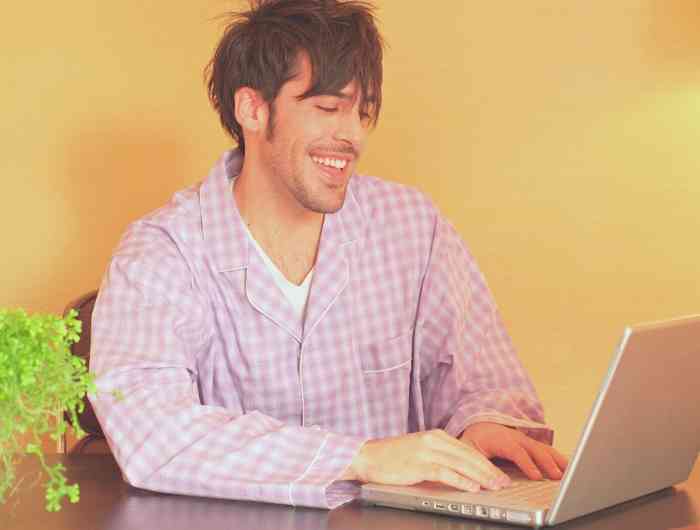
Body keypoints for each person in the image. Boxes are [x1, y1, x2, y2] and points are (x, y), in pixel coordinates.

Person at [89, 0, 568, 509]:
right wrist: (360, 457)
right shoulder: (160, 253)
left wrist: (485, 423)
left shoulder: (414, 225)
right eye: (328, 109)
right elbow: (152, 433)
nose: (354, 135)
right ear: (252, 109)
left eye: (360, 112)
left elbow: (487, 382)